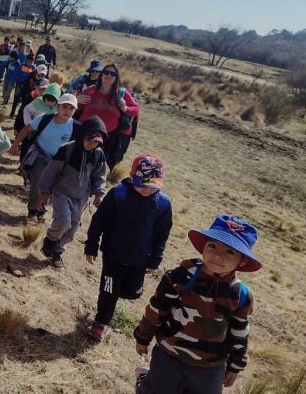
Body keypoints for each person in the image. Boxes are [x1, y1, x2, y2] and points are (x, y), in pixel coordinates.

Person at [134, 215, 260, 394]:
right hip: (170, 354)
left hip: (210, 367)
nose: (217, 255)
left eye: (229, 252)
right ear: (204, 246)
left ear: (242, 261)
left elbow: (239, 332)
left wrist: (235, 366)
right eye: (212, 246)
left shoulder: (240, 294)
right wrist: (143, 336)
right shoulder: (180, 276)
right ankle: (144, 380)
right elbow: (157, 308)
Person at [84, 154, 173, 340]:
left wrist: (155, 259)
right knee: (109, 289)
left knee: (132, 292)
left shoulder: (163, 204)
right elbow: (99, 221)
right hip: (113, 254)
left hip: (140, 257)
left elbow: (161, 234)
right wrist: (91, 245)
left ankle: (120, 293)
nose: (147, 190)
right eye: (143, 185)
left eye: (152, 186)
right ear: (132, 177)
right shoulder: (118, 194)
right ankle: (101, 321)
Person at [38, 116, 107, 268]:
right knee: (63, 222)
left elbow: (100, 175)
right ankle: (50, 240)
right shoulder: (67, 149)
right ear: (82, 135)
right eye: (90, 139)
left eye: (96, 142)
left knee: (73, 227)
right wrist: (44, 191)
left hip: (82, 197)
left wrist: (98, 193)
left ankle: (57, 252)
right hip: (62, 192)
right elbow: (50, 172)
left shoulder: (98, 154)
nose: (92, 144)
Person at [9, 92, 73, 223]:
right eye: (64, 106)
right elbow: (26, 129)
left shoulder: (75, 126)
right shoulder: (45, 118)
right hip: (40, 155)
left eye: (71, 108)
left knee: (50, 186)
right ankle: (33, 211)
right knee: (38, 184)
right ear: (58, 106)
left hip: (58, 161)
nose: (67, 110)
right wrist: (15, 145)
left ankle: (41, 211)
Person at [77, 63, 140, 170]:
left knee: (96, 168)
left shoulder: (121, 93)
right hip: (84, 133)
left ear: (116, 77)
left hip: (107, 138)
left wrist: (125, 108)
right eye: (106, 72)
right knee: (77, 162)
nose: (109, 75)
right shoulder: (90, 90)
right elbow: (74, 108)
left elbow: (136, 110)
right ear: (101, 74)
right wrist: (76, 100)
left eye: (113, 74)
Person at [10, 53, 35, 117]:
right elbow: (16, 74)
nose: (29, 63)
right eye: (28, 61)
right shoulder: (22, 66)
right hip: (19, 85)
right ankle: (12, 113)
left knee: (24, 102)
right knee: (15, 100)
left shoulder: (34, 68)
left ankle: (21, 114)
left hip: (27, 88)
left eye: (31, 62)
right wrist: (13, 83)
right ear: (26, 60)